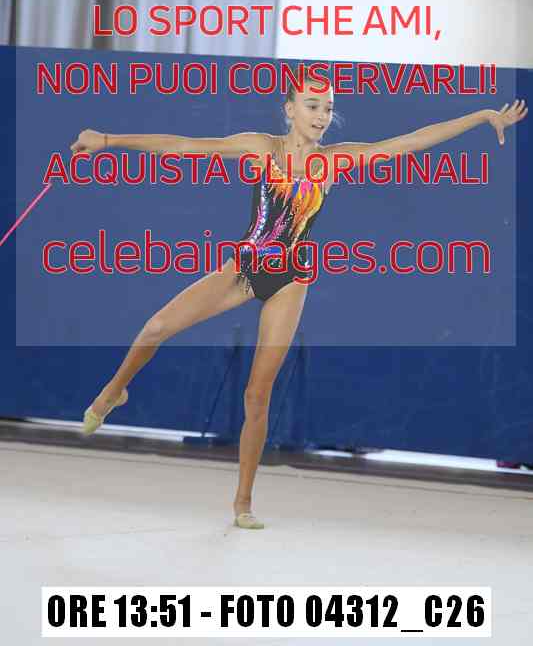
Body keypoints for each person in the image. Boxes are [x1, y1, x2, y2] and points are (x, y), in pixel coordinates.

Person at [70, 71, 527, 529]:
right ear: (289, 110)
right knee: (156, 327)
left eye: (328, 108)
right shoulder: (261, 147)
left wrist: (481, 116)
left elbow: (408, 142)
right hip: (244, 267)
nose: (322, 116)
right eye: (312, 106)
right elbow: (186, 146)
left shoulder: (334, 161)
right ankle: (115, 391)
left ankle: (243, 503)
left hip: (290, 280)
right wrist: (107, 141)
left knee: (257, 394)